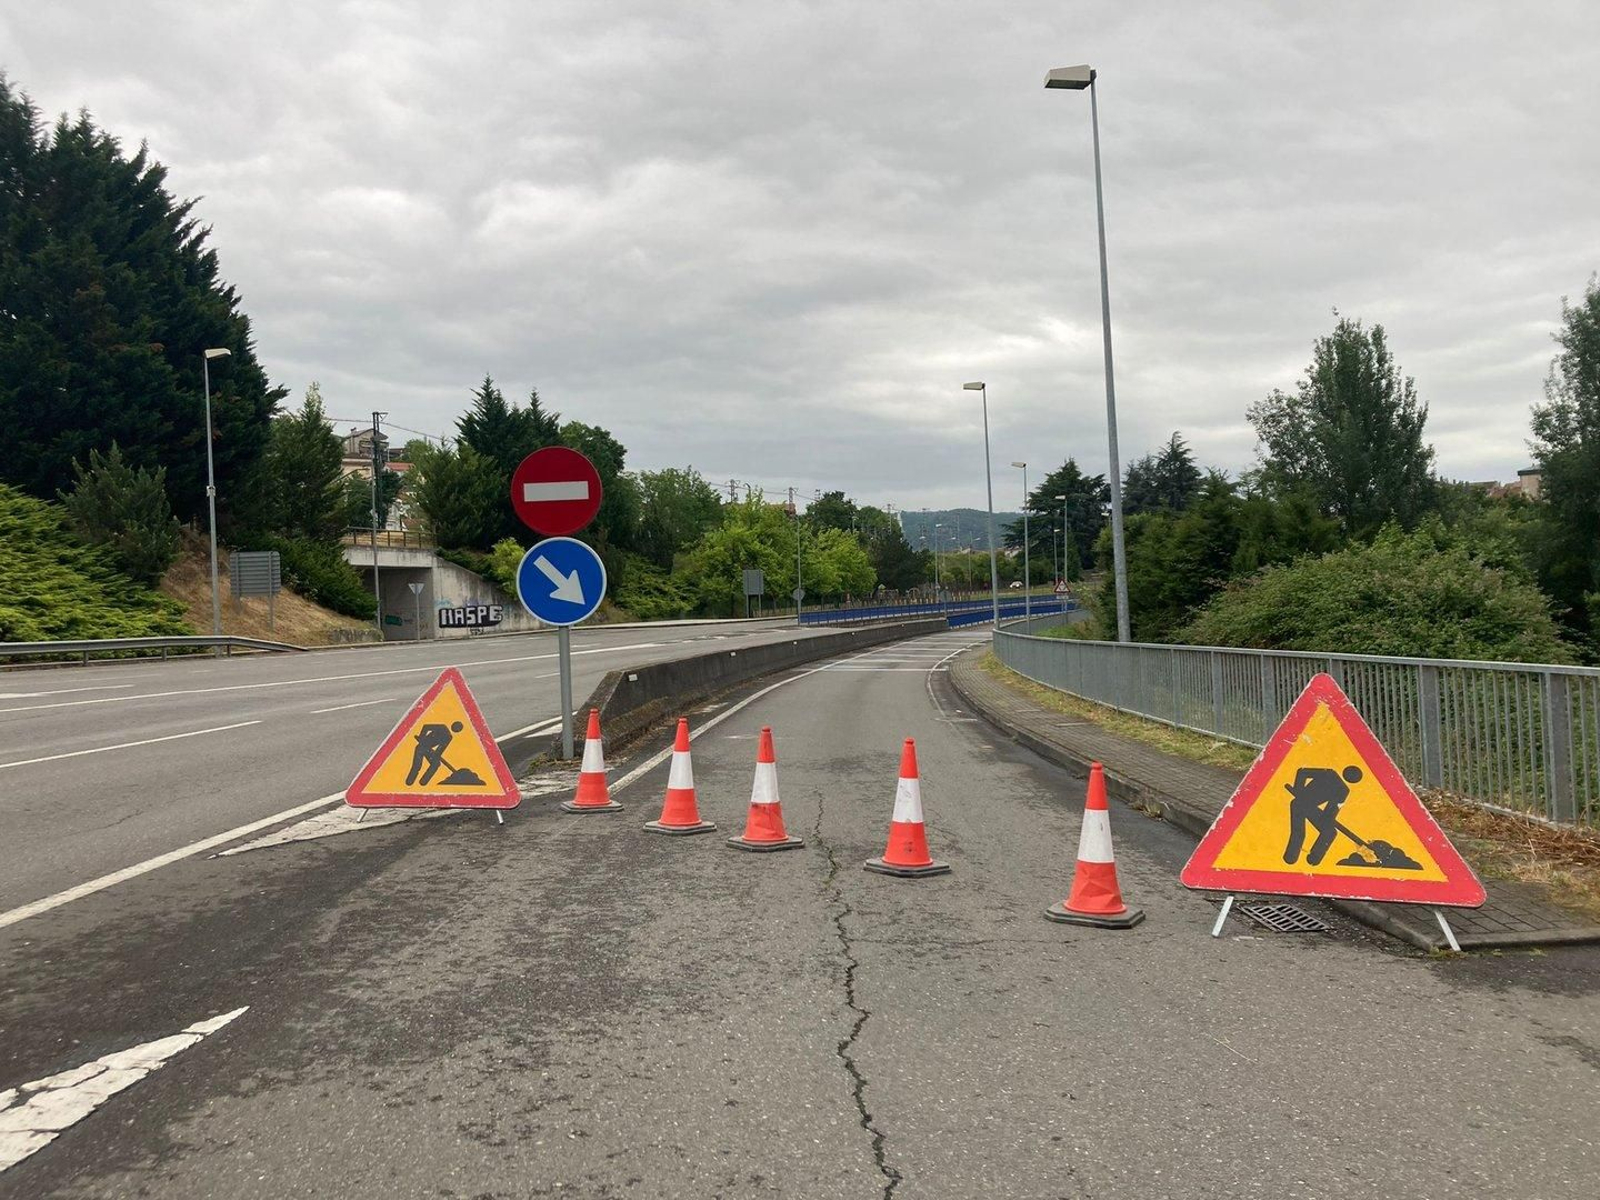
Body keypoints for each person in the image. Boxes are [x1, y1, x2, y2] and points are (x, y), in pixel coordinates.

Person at [1282, 765, 1363, 866]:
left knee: (1330, 832)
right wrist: (1299, 790)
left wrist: (1328, 818)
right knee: (1299, 833)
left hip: (1310, 807)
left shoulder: (1343, 790)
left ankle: (1313, 859)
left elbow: (1331, 810)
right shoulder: (1329, 774)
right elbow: (1302, 772)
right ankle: (1290, 857)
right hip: (1299, 803)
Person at [406, 720, 463, 786]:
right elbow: (426, 727)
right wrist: (422, 737)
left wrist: (436, 755)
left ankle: (423, 782)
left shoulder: (449, 737)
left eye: (458, 728)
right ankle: (409, 781)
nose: (457, 729)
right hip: (421, 747)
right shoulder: (442, 727)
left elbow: (440, 750)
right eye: (457, 727)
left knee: (436, 764)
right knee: (417, 765)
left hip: (429, 750)